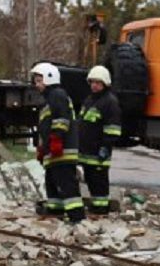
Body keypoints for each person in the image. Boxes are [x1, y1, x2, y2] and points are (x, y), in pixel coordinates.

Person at [31, 61, 85, 223]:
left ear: (49, 78)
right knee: (52, 182)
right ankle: (55, 210)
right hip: (53, 151)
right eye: (36, 80)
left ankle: (77, 217)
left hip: (63, 150)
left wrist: (56, 140)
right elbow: (45, 128)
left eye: (39, 80)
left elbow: (61, 119)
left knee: (66, 183)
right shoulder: (48, 99)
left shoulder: (58, 95)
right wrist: (42, 148)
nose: (36, 84)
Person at [78, 65, 122, 215]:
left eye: (98, 82)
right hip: (86, 152)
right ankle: (95, 206)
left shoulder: (110, 102)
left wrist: (105, 146)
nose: (94, 85)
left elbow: (113, 129)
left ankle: (101, 208)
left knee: (99, 181)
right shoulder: (89, 100)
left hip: (99, 152)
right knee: (90, 179)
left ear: (105, 83)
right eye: (92, 82)